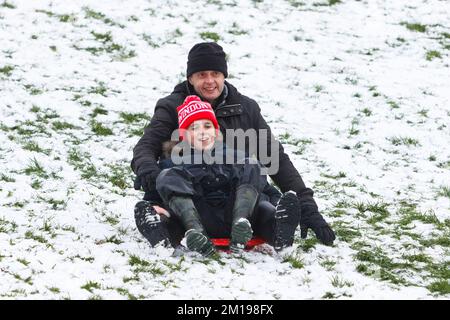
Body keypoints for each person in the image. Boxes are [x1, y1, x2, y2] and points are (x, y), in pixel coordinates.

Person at [132, 42, 335, 247]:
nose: (210, 81)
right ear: (190, 78)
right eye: (202, 75)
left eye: (215, 74)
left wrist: (307, 206)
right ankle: (163, 228)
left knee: (262, 200)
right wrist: (148, 170)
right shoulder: (172, 107)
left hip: (238, 195)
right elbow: (147, 145)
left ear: (224, 76)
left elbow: (275, 158)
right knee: (168, 202)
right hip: (193, 192)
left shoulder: (245, 108)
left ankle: (276, 228)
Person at [134, 95, 301, 256]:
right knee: (167, 178)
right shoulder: (173, 162)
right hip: (196, 216)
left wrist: (275, 202)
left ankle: (277, 230)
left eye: (207, 126)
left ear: (215, 131)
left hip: (241, 215)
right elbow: (159, 191)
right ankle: (166, 231)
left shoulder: (236, 156)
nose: (202, 132)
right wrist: (154, 206)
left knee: (253, 167)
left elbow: (262, 186)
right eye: (194, 128)